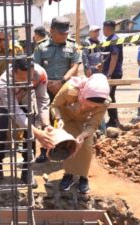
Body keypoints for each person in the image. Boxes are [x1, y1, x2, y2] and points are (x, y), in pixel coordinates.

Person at [0, 58, 53, 189]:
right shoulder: (3, 82)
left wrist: (46, 124)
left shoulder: (40, 73)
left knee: (29, 137)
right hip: (4, 103)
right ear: (13, 72)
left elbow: (42, 99)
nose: (27, 80)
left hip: (26, 100)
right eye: (22, 77)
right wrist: (37, 132)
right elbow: (15, 111)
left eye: (29, 76)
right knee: (0, 134)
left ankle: (27, 170)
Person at [51, 74, 110, 194]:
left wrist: (84, 135)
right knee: (68, 145)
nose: (90, 106)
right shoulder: (69, 89)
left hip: (84, 122)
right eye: (89, 102)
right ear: (84, 92)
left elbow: (93, 124)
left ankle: (83, 177)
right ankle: (69, 174)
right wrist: (59, 119)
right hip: (66, 119)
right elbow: (55, 106)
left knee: (86, 148)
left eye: (94, 106)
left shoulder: (104, 102)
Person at [33, 16, 81, 162]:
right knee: (45, 119)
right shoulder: (41, 47)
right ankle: (44, 149)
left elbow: (75, 66)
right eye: (61, 33)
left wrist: (62, 82)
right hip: (45, 88)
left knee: (65, 118)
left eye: (66, 33)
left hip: (66, 89)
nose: (65, 35)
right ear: (52, 31)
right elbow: (35, 68)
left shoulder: (73, 46)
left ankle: (65, 148)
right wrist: (47, 83)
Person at [102, 20, 123, 128]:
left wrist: (109, 74)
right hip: (112, 72)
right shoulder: (111, 39)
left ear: (107, 29)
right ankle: (114, 120)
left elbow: (114, 58)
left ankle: (114, 120)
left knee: (109, 96)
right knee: (110, 95)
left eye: (103, 28)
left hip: (113, 73)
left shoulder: (114, 40)